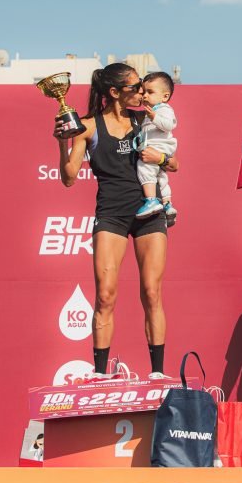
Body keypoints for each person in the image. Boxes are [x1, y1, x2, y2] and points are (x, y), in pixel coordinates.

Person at [54, 62, 177, 379]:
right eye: (135, 87)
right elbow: (68, 178)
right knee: (105, 295)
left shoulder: (145, 119)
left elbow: (174, 163)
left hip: (149, 211)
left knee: (152, 292)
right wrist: (62, 142)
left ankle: (158, 373)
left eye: (142, 85)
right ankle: (99, 373)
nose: (141, 91)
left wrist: (161, 158)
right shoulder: (88, 126)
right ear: (114, 92)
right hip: (111, 213)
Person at [134, 72, 178, 225]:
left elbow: (169, 125)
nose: (145, 96)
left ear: (165, 96)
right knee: (161, 179)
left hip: (158, 148)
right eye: (144, 92)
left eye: (150, 92)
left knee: (144, 168)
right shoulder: (151, 111)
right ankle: (167, 204)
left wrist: (154, 117)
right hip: (158, 149)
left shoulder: (163, 109)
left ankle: (151, 200)